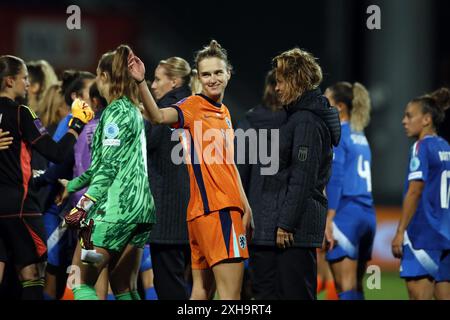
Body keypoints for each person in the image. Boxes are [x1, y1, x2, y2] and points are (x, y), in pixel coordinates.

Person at [128, 40, 253, 300]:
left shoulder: (225, 112)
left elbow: (228, 163)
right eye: (206, 74)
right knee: (231, 296)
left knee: (201, 292)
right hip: (218, 211)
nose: (213, 79)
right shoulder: (194, 106)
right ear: (198, 77)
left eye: (218, 72)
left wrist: (245, 204)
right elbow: (158, 117)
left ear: (228, 72)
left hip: (203, 213)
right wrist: (140, 83)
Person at [61, 44, 156, 300]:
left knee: (80, 279)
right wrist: (71, 186)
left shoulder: (112, 115)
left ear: (104, 77)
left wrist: (82, 205)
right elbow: (100, 165)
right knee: (123, 284)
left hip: (117, 211)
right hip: (141, 211)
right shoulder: (133, 110)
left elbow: (108, 168)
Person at [0, 54, 94, 299]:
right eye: (23, 79)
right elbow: (56, 153)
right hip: (21, 206)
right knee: (33, 273)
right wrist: (77, 125)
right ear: (9, 81)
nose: (27, 84)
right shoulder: (22, 112)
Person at [268, 48, 340, 299]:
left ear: (296, 80)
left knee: (296, 293)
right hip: (301, 223)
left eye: (280, 81)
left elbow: (302, 177)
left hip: (297, 229)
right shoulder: (304, 116)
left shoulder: (306, 121)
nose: (276, 87)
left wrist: (286, 224)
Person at [391, 88, 450, 300]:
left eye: (409, 115)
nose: (403, 121)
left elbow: (415, 190)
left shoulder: (420, 147)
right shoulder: (445, 146)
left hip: (423, 235)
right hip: (445, 235)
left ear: (426, 119)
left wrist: (400, 231)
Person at [234, 70, 287, 300]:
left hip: (258, 219)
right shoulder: (298, 121)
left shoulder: (250, 122)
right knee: (290, 289)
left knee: (262, 289)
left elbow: (238, 171)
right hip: (291, 222)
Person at [323, 82, 376, 300]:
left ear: (340, 107)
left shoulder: (339, 135)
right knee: (356, 287)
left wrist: (329, 218)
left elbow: (336, 178)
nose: (322, 105)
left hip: (345, 213)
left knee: (344, 286)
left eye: (326, 101)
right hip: (368, 215)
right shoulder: (360, 134)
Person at [146, 57, 193, 300]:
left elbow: (145, 145)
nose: (153, 85)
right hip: (192, 209)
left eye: (157, 79)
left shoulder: (166, 111)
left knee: (168, 283)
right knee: (183, 280)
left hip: (167, 212)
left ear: (174, 82)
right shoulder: (196, 105)